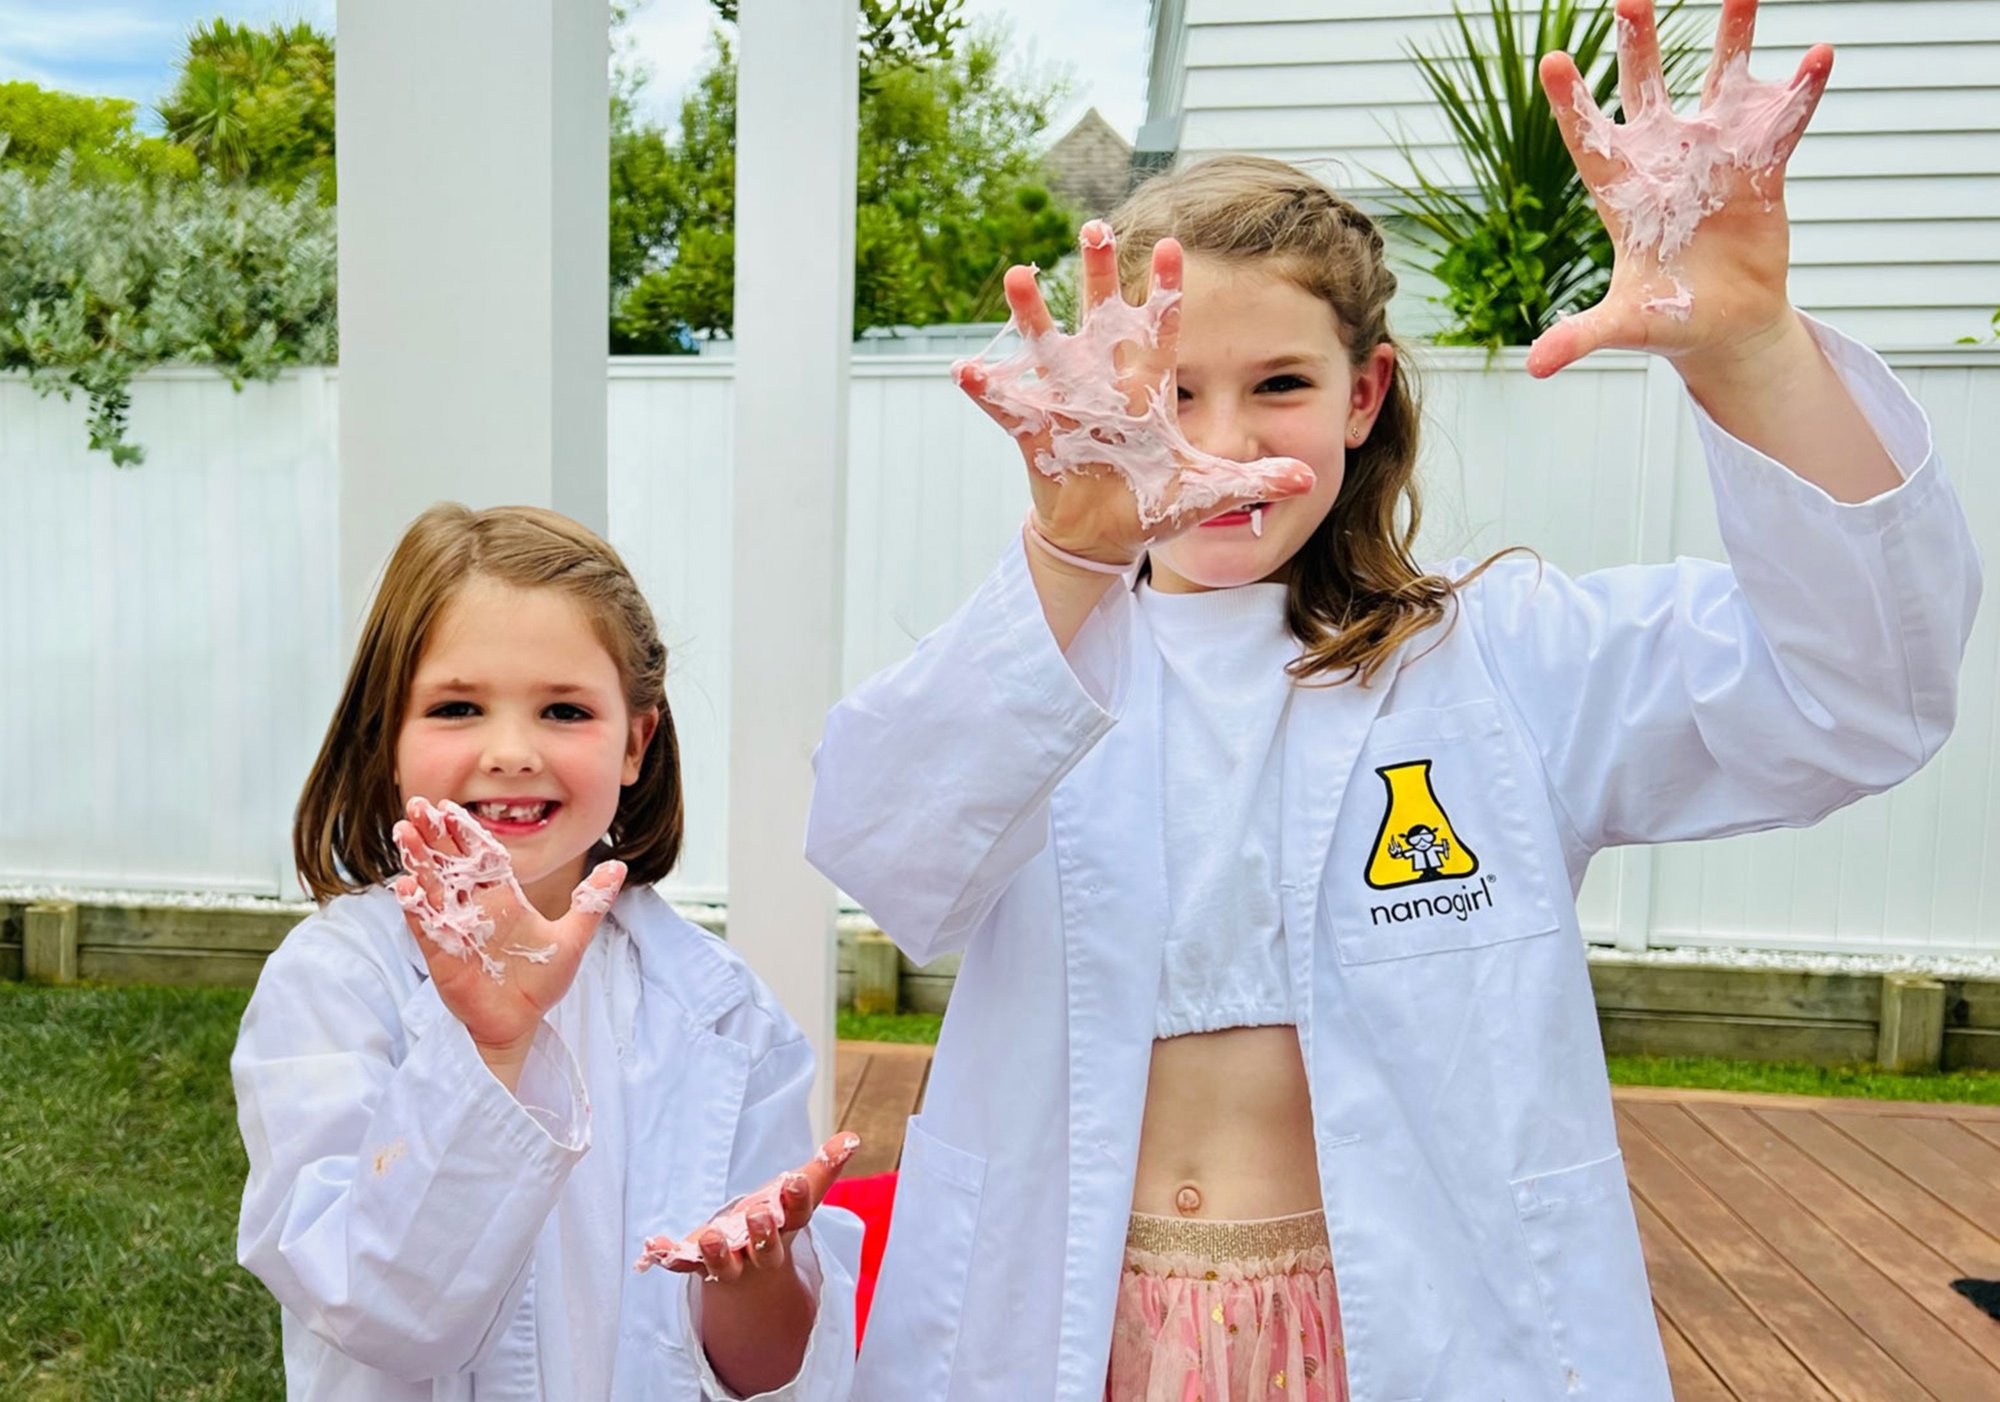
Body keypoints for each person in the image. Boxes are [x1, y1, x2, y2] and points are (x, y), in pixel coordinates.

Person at [803, 2, 1981, 1397]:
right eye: (1172, 391)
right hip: (1070, 1324)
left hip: (1404, 1330)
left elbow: (1860, 695)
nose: (1226, 441)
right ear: (1101, 393)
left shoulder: (1503, 663)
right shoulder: (1036, 669)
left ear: (1362, 396)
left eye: (1280, 385)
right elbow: (883, 843)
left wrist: (1752, 350)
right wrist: (1065, 556)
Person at [234, 503, 861, 1400]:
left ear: (636, 741)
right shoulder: (336, 983)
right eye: (458, 707)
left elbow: (777, 1371)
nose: (512, 752)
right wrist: (490, 1048)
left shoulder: (724, 1010)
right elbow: (372, 1310)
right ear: (388, 736)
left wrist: (755, 1277)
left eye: (564, 710)